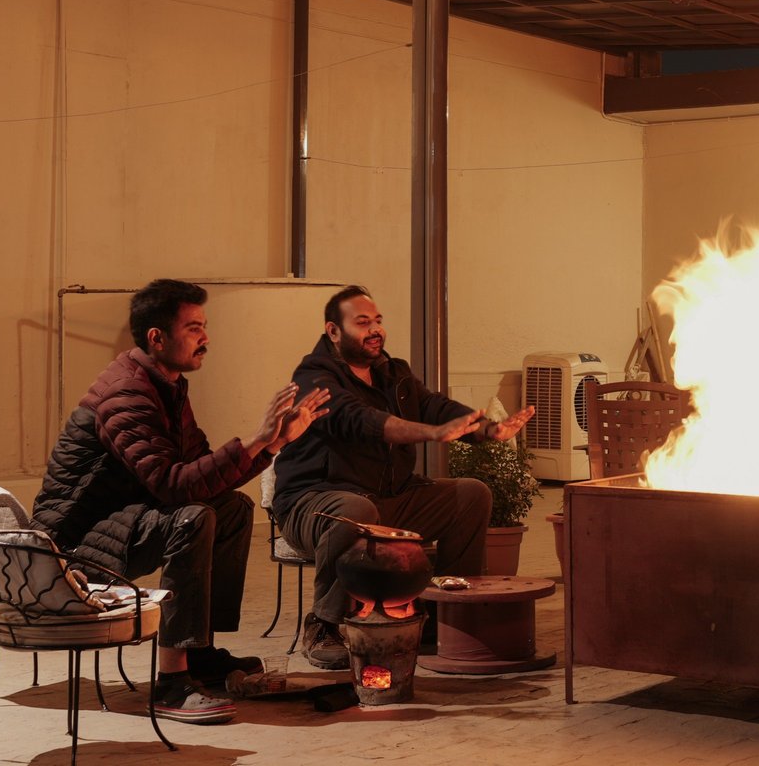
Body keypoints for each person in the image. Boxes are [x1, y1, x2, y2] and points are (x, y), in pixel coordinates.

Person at [33, 278, 329, 724]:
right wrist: (255, 440)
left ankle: (199, 653)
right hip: (73, 545)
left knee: (231, 509)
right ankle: (171, 682)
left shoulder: (166, 385)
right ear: (157, 337)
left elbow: (200, 471)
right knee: (191, 517)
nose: (205, 338)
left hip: (120, 519)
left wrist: (273, 444)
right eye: (194, 328)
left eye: (204, 326)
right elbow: (173, 486)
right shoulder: (127, 394)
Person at [272, 285, 534, 670]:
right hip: (315, 504)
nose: (375, 329)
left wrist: (487, 429)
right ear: (333, 331)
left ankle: (444, 616)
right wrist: (431, 434)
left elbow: (433, 406)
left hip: (387, 498)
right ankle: (324, 626)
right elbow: (361, 420)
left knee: (471, 495)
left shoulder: (393, 373)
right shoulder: (315, 376)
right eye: (363, 322)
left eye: (378, 321)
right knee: (356, 510)